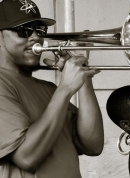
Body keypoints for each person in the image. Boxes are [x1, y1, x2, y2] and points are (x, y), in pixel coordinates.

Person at [0, 0, 104, 177]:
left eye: (39, 31)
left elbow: (92, 145)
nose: (35, 37)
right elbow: (27, 157)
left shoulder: (50, 89)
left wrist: (83, 76)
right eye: (23, 31)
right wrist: (65, 89)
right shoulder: (4, 83)